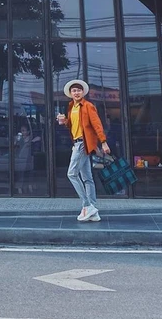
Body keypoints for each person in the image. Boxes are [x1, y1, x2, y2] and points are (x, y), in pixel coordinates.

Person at [56, 79, 110, 222]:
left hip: (83, 144)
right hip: (78, 143)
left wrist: (103, 142)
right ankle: (93, 210)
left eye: (79, 90)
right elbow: (73, 125)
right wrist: (64, 122)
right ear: (70, 93)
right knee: (87, 178)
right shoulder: (71, 107)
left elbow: (97, 124)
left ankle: (87, 205)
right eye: (74, 90)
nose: (76, 92)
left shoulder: (88, 106)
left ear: (83, 92)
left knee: (72, 174)